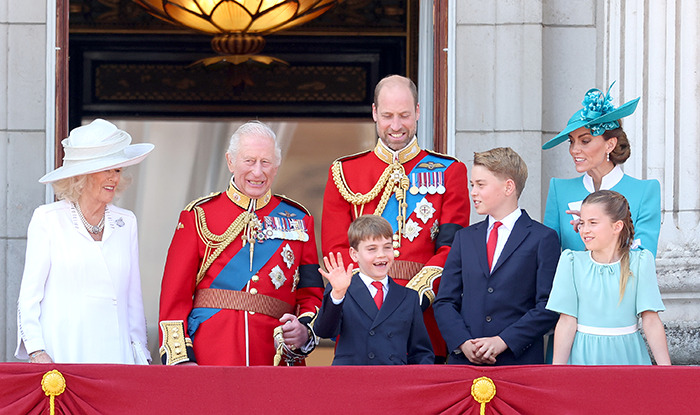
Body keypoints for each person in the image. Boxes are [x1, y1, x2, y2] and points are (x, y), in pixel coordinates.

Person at [322, 74, 470, 362]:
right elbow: (336, 250)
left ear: (417, 111)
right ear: (375, 113)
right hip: (361, 316)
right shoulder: (344, 172)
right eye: (388, 115)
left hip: (423, 313)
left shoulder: (449, 171)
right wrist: (368, 297)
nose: (396, 126)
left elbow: (451, 250)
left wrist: (409, 300)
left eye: (404, 115)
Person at [158, 121, 324, 366]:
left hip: (273, 360)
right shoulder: (199, 216)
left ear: (276, 167)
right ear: (230, 161)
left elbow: (311, 296)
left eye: (265, 162)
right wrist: (182, 362)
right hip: (209, 358)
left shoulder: (299, 220)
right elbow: (174, 298)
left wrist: (304, 331)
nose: (257, 172)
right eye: (249, 161)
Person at [15, 119, 154, 364]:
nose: (114, 178)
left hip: (117, 359)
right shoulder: (48, 219)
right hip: (64, 355)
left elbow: (133, 299)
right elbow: (29, 297)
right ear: (82, 176)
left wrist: (140, 355)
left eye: (118, 170)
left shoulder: (126, 222)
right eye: (106, 169)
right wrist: (37, 351)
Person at [433, 147, 560, 365]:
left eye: (481, 185)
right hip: (465, 363)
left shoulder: (543, 238)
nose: (473, 192)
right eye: (472, 185)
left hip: (518, 362)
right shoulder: (464, 238)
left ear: (508, 187)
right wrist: (463, 342)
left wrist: (503, 341)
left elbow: (548, 305)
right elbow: (444, 301)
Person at [546, 190, 671, 365]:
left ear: (617, 226)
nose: (585, 230)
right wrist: (557, 371)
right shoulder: (571, 262)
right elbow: (567, 321)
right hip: (583, 357)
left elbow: (650, 320)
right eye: (582, 223)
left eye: (593, 223)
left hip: (629, 356)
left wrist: (667, 371)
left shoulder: (641, 262)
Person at [542, 82, 661, 256]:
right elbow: (548, 257)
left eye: (585, 141)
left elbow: (643, 257)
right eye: (571, 141)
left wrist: (594, 234)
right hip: (573, 284)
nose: (574, 150)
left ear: (610, 144)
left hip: (624, 283)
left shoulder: (644, 192)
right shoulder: (559, 190)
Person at [314, 215, 434, 365]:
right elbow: (324, 331)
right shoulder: (341, 289)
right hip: (351, 381)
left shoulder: (408, 297)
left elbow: (421, 352)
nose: (381, 254)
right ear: (354, 254)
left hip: (394, 382)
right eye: (372, 249)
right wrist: (338, 294)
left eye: (387, 247)